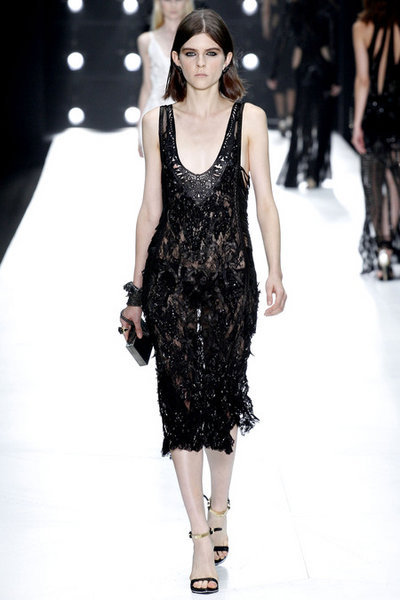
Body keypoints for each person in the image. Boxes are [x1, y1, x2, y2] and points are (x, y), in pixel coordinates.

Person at [120, 8, 286, 594]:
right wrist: (135, 292)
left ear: (227, 58)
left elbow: (265, 201)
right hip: (169, 280)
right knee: (180, 402)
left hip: (231, 282)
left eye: (211, 53)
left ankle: (220, 507)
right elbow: (150, 211)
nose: (200, 63)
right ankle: (198, 536)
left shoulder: (250, 120)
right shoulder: (155, 122)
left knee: (222, 404)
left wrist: (277, 270)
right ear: (176, 58)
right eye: (190, 53)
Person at [351, 0, 400, 280]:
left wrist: (357, 124)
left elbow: (363, 80)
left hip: (374, 115)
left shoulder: (362, 26)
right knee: (394, 183)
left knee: (375, 182)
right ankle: (389, 244)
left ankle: (383, 251)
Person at [277, 0, 341, 189]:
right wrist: (335, 78)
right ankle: (314, 173)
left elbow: (290, 42)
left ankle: (295, 171)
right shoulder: (328, 9)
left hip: (303, 67)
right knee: (321, 121)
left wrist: (291, 69)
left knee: (302, 119)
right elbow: (330, 46)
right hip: (322, 68)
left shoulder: (296, 9)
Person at [137, 0, 194, 156]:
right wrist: (140, 126)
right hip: (155, 111)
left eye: (178, 0)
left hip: (188, 111)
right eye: (168, 0)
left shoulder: (197, 39)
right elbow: (147, 85)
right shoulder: (146, 41)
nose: (173, 5)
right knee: (156, 168)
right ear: (159, 3)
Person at [262, 0, 296, 137]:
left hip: (283, 35)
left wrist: (267, 28)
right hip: (288, 35)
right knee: (287, 80)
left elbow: (266, 14)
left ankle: (285, 118)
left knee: (282, 79)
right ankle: (287, 118)